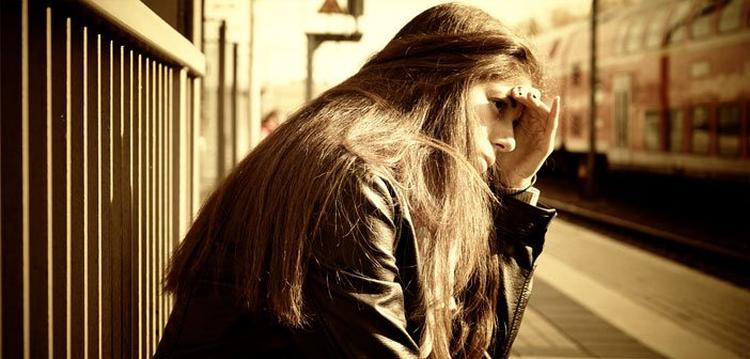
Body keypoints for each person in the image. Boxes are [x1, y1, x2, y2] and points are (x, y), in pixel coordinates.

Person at [155, 3, 559, 358]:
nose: (508, 139)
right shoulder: (351, 181)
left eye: (516, 120)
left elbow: (475, 347)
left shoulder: (378, 172)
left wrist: (512, 189)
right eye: (499, 105)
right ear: (438, 83)